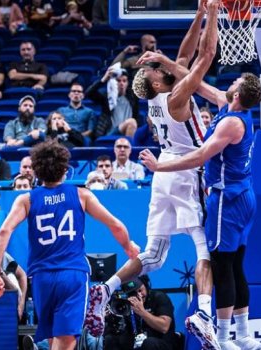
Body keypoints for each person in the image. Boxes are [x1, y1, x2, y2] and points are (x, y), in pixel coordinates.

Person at [89, 3, 218, 345]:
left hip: (162, 174)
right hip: (188, 168)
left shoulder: (157, 97)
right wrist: (214, 14)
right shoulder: (177, 97)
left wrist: (198, 15)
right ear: (158, 80)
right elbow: (200, 56)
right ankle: (205, 312)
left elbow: (182, 56)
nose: (159, 68)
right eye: (155, 70)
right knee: (204, 248)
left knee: (153, 256)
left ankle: (105, 289)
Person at [139, 60, 261, 350]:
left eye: (234, 84)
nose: (229, 84)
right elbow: (197, 83)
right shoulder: (231, 107)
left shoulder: (232, 123)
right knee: (235, 266)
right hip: (244, 195)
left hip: (227, 199)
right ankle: (243, 335)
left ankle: (221, 337)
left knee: (222, 266)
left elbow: (200, 157)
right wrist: (166, 61)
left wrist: (160, 167)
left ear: (236, 94)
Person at [0, 140, 140, 349]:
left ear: (37, 170)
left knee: (55, 341)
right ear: (65, 169)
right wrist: (128, 246)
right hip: (72, 275)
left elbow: (4, 231)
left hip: (42, 278)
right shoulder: (80, 194)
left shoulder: (26, 199)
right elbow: (115, 225)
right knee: (65, 343)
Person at [102, 276, 177, 350]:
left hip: (161, 342)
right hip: (137, 341)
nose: (139, 295)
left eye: (140, 290)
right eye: (133, 293)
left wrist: (142, 312)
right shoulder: (128, 304)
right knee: (110, 340)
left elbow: (164, 327)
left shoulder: (159, 297)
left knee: (149, 343)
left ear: (146, 285)